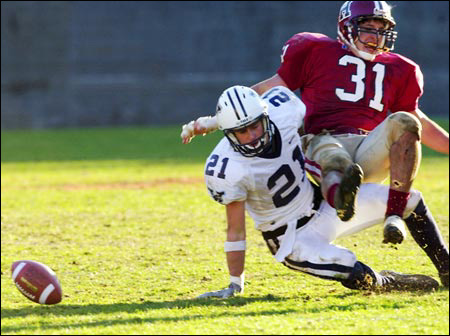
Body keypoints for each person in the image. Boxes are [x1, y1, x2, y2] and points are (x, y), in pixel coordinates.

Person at [180, 1, 449, 246]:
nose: (375, 37)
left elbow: (417, 121)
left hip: (369, 146)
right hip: (321, 140)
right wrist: (213, 121)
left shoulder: (402, 69)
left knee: (403, 121)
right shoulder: (316, 49)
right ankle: (340, 198)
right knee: (332, 152)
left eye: (381, 30)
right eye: (368, 28)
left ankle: (394, 215)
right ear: (346, 27)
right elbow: (262, 94)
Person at [194, 85, 448, 299]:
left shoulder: (284, 110)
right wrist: (234, 283)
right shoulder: (226, 167)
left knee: (410, 201)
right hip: (291, 238)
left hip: (324, 206)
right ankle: (387, 282)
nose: (253, 135)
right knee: (352, 269)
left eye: (257, 126)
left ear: (266, 115)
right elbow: (235, 229)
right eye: (242, 131)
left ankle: (446, 268)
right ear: (229, 134)